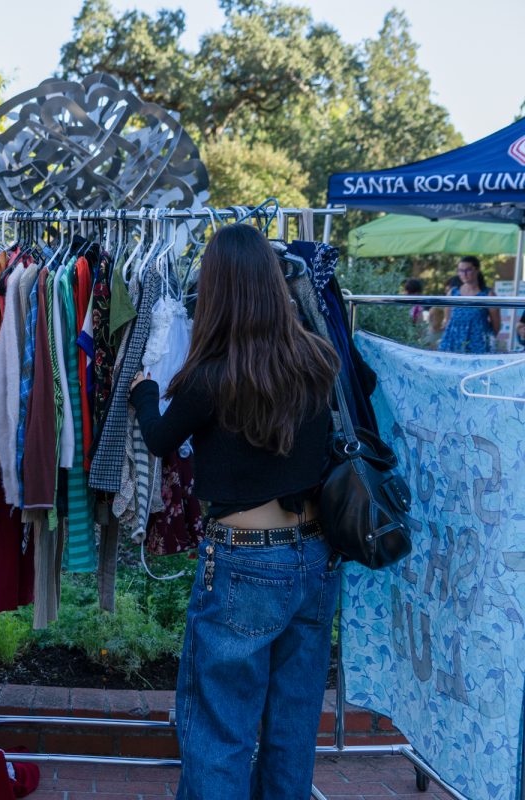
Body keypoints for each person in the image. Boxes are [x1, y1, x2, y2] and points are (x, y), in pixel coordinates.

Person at [128, 224, 341, 799]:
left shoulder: (211, 375)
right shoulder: (317, 359)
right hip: (314, 554)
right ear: (275, 285)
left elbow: (159, 438)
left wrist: (143, 389)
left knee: (220, 729)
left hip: (244, 560)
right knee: (292, 729)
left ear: (218, 289)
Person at [439, 256, 501, 353]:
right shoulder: (453, 292)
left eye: (468, 270)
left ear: (477, 270)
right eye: (460, 270)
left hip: (478, 342)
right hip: (453, 340)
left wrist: (487, 341)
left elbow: (496, 326)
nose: (464, 274)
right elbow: (448, 320)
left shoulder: (488, 294)